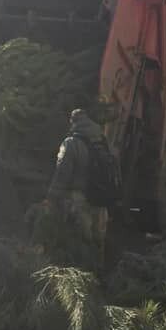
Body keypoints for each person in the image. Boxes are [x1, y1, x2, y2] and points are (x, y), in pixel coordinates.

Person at [46, 109, 114, 269]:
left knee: (82, 238)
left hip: (80, 198)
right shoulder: (102, 139)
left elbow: (62, 172)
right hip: (101, 197)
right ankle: (100, 271)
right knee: (99, 238)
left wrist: (51, 196)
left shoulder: (71, 143)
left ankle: (82, 274)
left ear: (73, 121)